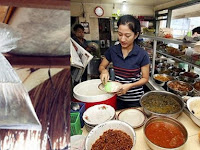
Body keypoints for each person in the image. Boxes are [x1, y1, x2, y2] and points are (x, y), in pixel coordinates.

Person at [99, 15, 150, 109]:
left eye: (127, 35)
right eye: (119, 34)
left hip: (135, 99)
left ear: (136, 35)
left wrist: (130, 86)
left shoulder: (142, 54)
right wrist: (104, 71)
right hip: (117, 96)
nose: (122, 39)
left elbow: (145, 78)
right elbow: (102, 66)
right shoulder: (113, 50)